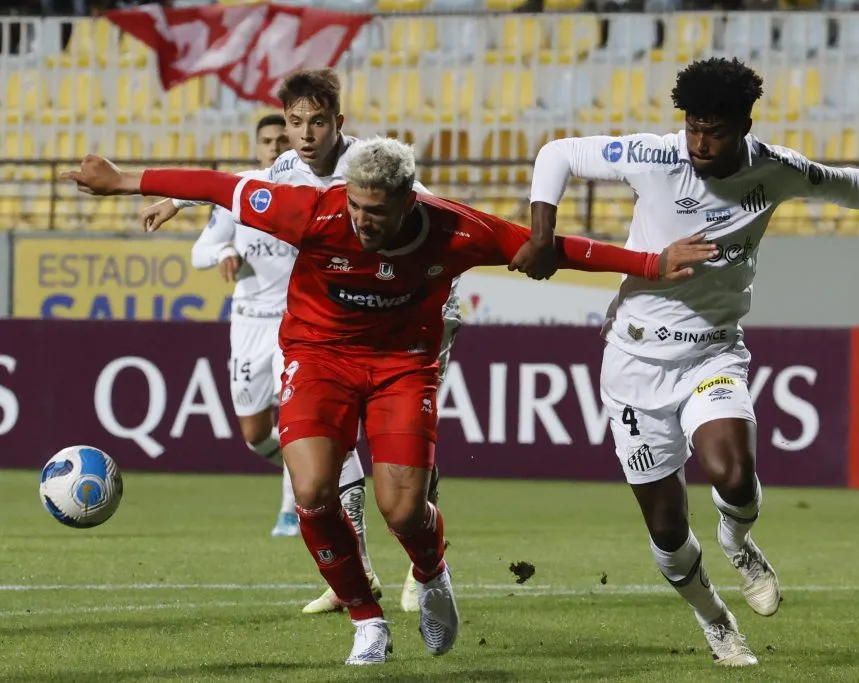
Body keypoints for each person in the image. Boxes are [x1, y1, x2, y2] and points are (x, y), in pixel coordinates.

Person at [62, 138, 718, 665]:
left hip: (404, 366)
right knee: (314, 490)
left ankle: (432, 572)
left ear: (409, 202)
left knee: (403, 505)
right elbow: (217, 186)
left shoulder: (456, 229)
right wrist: (124, 181)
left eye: (376, 211)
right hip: (317, 358)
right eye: (357, 207)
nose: (363, 221)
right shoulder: (309, 210)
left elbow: (548, 247)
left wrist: (651, 263)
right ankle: (366, 621)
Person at [511, 57, 859, 668]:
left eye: (714, 130)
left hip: (711, 351)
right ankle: (715, 619)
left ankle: (737, 542)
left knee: (732, 473)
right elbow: (557, 154)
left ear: (744, 126)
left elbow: (846, 183)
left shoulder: (775, 169)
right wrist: (543, 232)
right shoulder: (655, 156)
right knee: (665, 528)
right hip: (633, 360)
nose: (700, 142)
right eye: (692, 127)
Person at [143, 69, 450, 613]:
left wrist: (443, 291)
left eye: (316, 123)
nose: (303, 135)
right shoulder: (287, 167)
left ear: (338, 123)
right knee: (300, 445)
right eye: (295, 123)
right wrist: (179, 201)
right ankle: (355, 574)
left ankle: (422, 569)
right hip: (323, 327)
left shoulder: (372, 167)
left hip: (405, 320)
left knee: (399, 463)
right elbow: (243, 181)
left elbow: (438, 215)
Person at [186, 113, 303, 538]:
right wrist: (221, 255)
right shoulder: (239, 199)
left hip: (296, 326)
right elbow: (199, 252)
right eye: (267, 141)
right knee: (255, 435)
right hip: (249, 324)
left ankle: (293, 509)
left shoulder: (309, 195)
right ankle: (308, 469)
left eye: (282, 140)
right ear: (257, 148)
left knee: (295, 421)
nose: (275, 147)